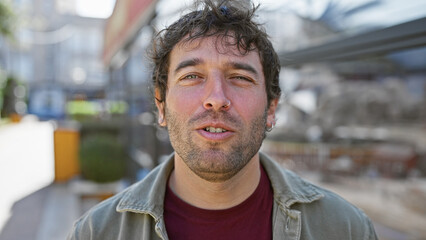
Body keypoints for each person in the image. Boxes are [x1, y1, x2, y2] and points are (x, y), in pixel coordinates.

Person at [68, 0, 378, 239]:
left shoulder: (346, 229)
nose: (216, 97)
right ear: (161, 106)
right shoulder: (97, 232)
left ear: (271, 108)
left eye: (240, 77)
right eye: (192, 76)